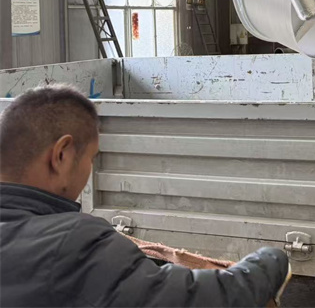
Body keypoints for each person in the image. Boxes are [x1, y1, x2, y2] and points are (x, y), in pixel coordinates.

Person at [0, 85, 290, 307]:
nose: (89, 169)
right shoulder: (70, 245)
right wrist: (272, 261)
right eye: (91, 158)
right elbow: (200, 298)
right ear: (62, 155)